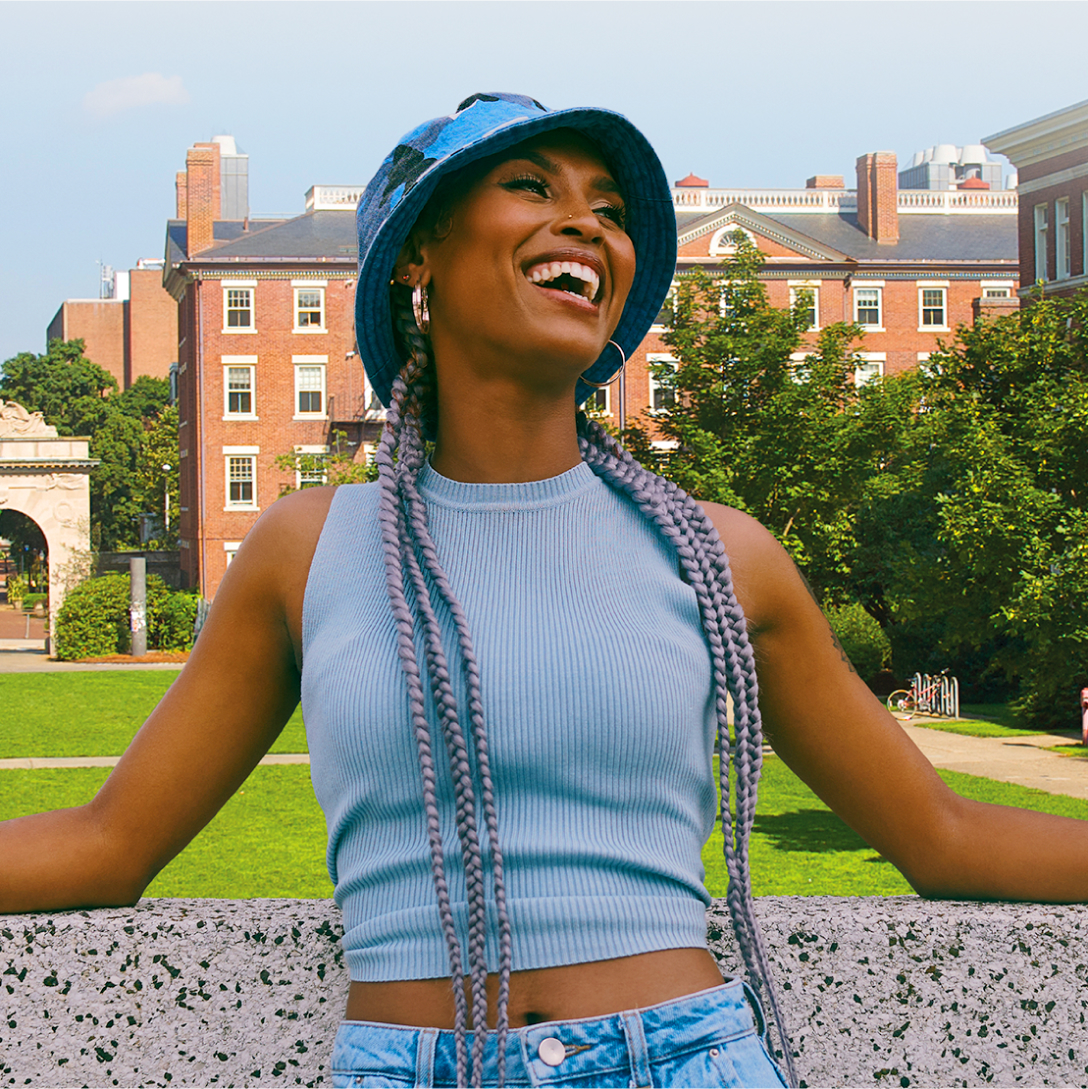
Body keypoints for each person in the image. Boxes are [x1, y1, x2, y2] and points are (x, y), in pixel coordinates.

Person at [3, 92, 1088, 1089]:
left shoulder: (719, 557)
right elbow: (110, 843)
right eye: (532, 187)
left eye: (607, 209)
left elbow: (939, 834)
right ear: (417, 255)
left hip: (683, 1057)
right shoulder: (306, 550)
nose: (586, 225)